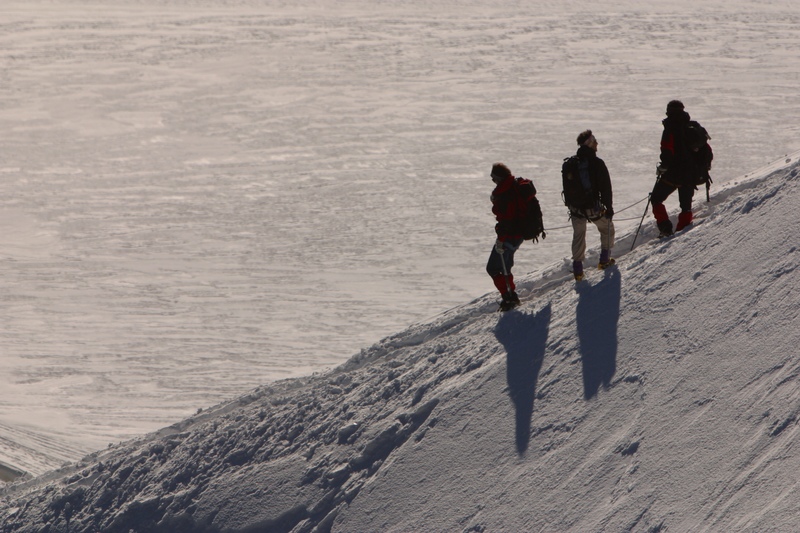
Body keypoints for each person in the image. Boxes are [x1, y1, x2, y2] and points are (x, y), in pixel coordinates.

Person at [652, 100, 713, 236]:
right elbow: (706, 150)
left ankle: (665, 228)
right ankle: (681, 234)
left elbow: (667, 152)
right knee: (686, 206)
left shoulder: (670, 129)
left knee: (656, 199)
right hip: (691, 174)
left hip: (673, 174)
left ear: (669, 111)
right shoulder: (693, 127)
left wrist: (663, 168)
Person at [563, 130, 615, 281]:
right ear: (590, 144)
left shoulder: (570, 164)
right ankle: (604, 260)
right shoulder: (597, 163)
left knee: (579, 235)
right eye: (595, 141)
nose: (597, 143)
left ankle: (578, 270)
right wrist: (609, 207)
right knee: (607, 229)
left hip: (576, 209)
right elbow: (606, 188)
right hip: (593, 208)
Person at [486, 163, 527, 311]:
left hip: (509, 236)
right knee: (506, 266)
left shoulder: (504, 193)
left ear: (498, 178)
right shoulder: (514, 186)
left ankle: (509, 297)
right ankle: (511, 295)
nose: (493, 181)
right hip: (519, 234)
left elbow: (506, 220)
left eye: (493, 178)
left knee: (493, 268)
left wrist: (500, 239)